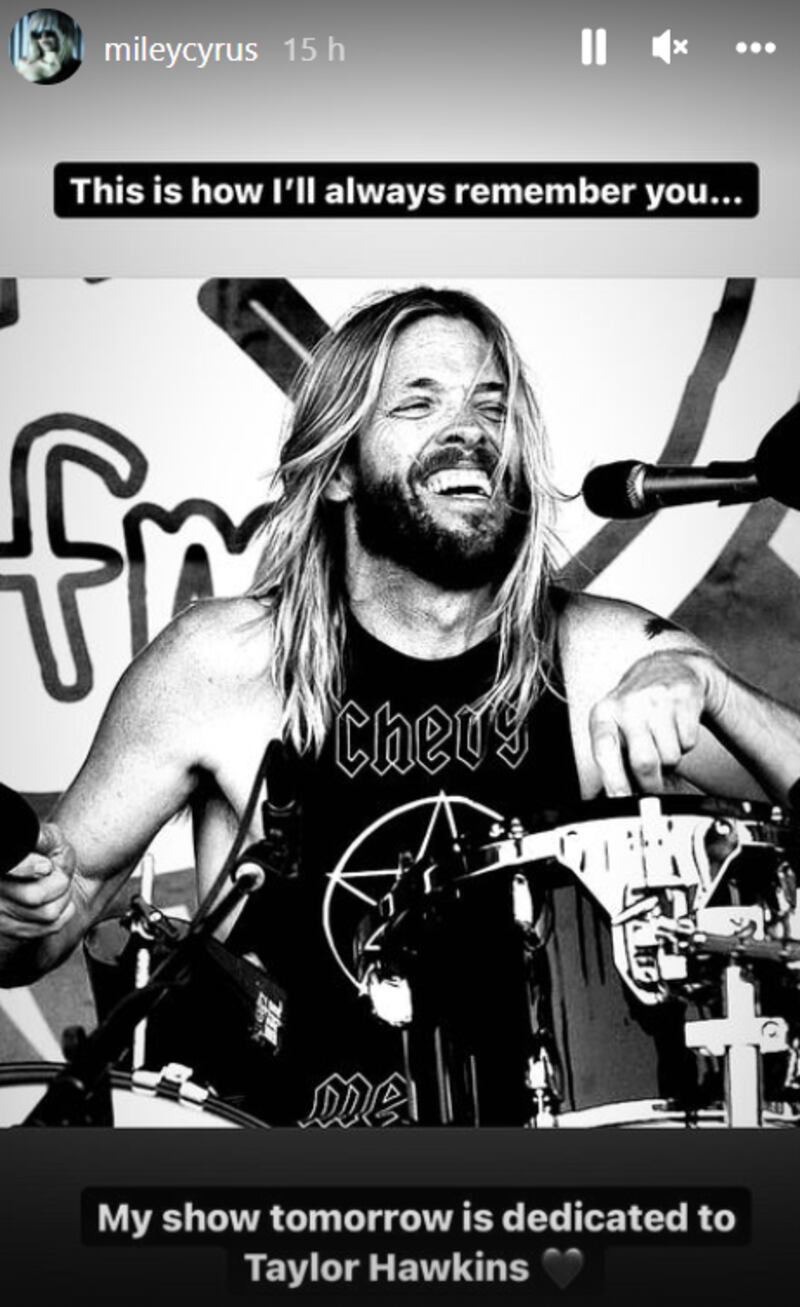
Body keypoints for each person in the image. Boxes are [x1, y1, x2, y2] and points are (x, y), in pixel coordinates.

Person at [2, 286, 800, 1127]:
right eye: (419, 403)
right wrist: (20, 909)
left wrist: (716, 690)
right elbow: (45, 923)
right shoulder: (220, 667)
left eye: (491, 405)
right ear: (339, 468)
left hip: (549, 1184)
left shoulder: (598, 655)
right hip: (294, 1190)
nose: (470, 429)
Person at [13, 9, 81, 84]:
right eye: (37, 32)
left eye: (50, 31)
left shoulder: (77, 67)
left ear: (65, 33)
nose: (43, 37)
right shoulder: (23, 64)